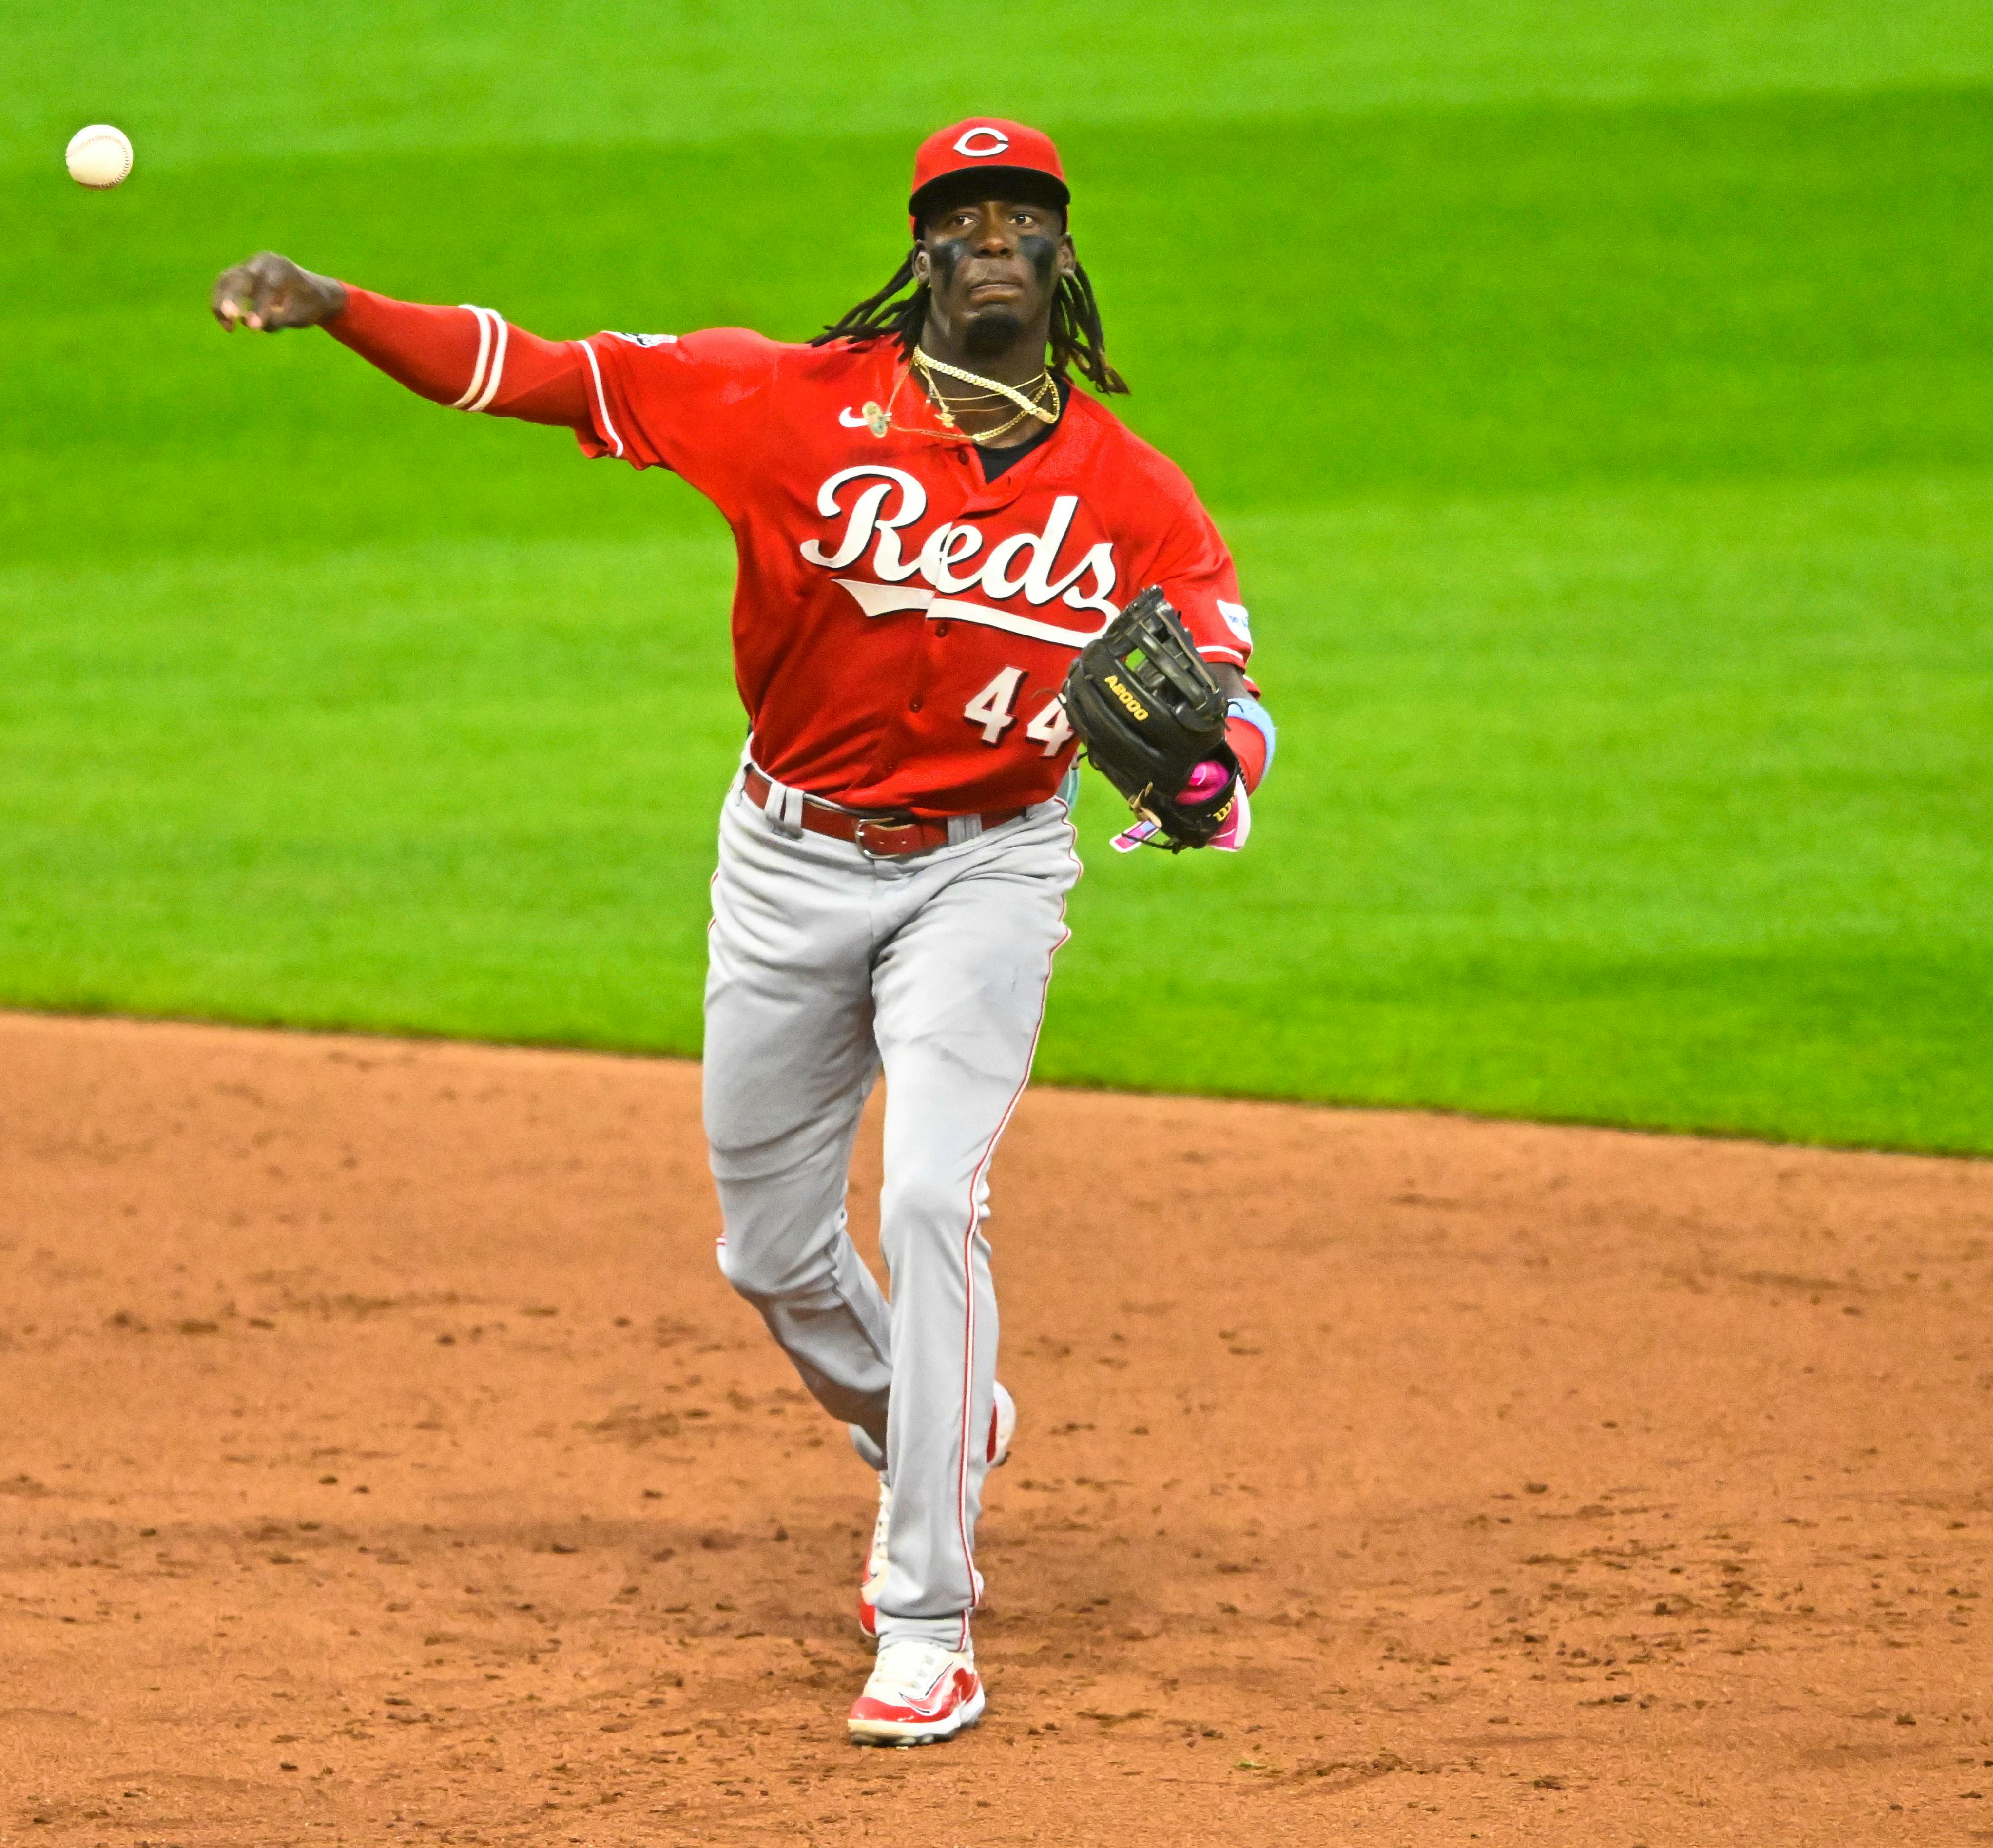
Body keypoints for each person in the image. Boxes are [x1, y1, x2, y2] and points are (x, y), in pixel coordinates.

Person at [212, 116, 1276, 1746]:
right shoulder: (778, 402)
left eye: (1023, 218)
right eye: (962, 216)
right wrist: (339, 302)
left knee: (930, 1193)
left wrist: (1215, 779)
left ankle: (928, 1616)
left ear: (1064, 258)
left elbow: (1223, 691)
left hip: (986, 873)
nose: (992, 238)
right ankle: (939, 1421)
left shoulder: (1132, 497)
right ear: (920, 252)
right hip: (786, 862)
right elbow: (543, 372)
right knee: (772, 1255)